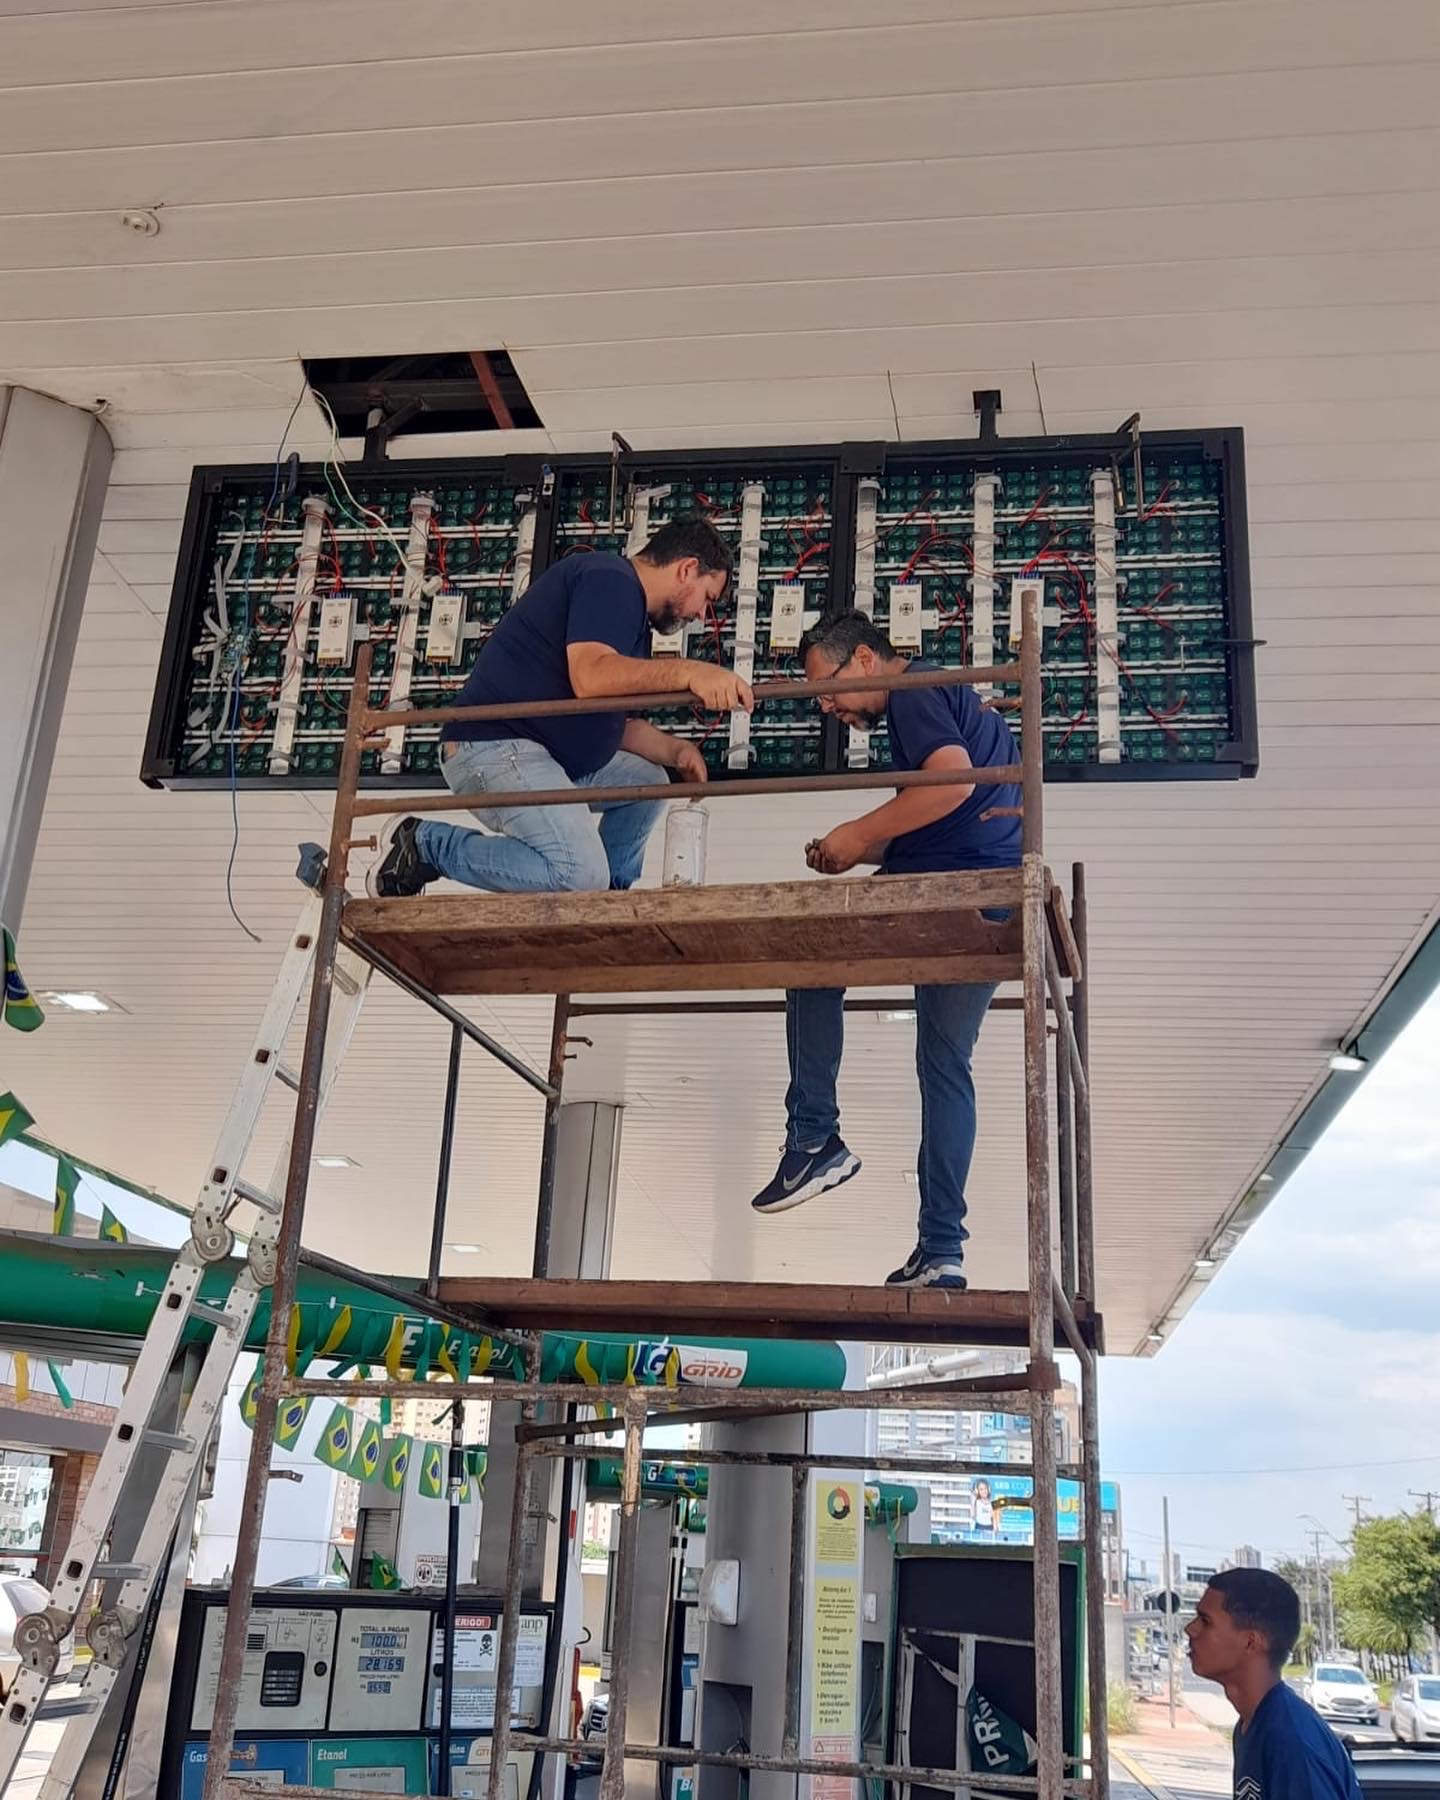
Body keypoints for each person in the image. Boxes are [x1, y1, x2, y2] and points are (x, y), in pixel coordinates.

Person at [749, 612, 1021, 1290]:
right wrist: (861, 850)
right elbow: (949, 813)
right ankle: (942, 1251)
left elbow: (952, 783)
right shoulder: (944, 696)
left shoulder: (913, 690)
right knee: (946, 1066)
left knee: (812, 956)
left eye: (829, 688)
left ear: (866, 660)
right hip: (989, 892)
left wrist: (855, 829)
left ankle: (814, 1139)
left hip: (948, 888)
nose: (827, 706)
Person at [369, 518, 749, 898]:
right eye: (707, 598)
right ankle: (424, 845)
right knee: (578, 874)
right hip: (493, 748)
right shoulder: (610, 580)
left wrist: (677, 751)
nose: (702, 615)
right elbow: (591, 677)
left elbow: (619, 725)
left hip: (548, 759)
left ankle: (605, 900)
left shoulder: (632, 618)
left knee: (648, 782)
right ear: (687, 569)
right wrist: (691, 672)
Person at [1186, 1570, 1362, 1800]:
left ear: (1251, 1642)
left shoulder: (1291, 1742)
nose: (1190, 1629)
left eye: (1205, 1621)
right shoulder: (1253, 1725)